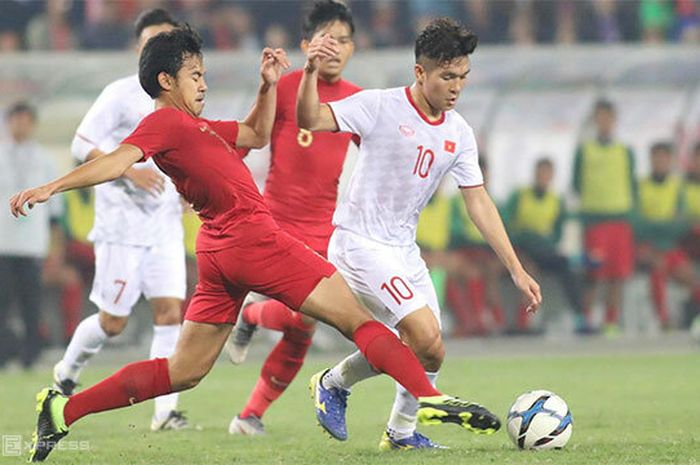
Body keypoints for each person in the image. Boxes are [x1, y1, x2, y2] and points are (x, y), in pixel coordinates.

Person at [11, 26, 501, 463]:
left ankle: (64, 408)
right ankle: (427, 397)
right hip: (252, 237)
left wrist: (267, 86)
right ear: (166, 82)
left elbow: (255, 133)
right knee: (359, 320)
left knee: (183, 371)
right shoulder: (163, 123)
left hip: (220, 250)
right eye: (195, 75)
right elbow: (117, 161)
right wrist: (52, 186)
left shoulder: (198, 127)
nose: (203, 83)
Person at [296, 18, 541, 450]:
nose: (456, 87)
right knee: (422, 333)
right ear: (420, 72)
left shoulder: (459, 132)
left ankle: (399, 432)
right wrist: (311, 72)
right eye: (447, 76)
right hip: (359, 243)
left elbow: (478, 202)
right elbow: (311, 117)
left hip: (403, 250)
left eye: (463, 76)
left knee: (431, 350)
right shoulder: (378, 105)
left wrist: (516, 270)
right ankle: (335, 385)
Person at [226, 0, 361, 436]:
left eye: (343, 41)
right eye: (327, 40)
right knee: (305, 319)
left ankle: (249, 415)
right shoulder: (284, 89)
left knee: (302, 331)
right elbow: (246, 141)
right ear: (306, 45)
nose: (335, 48)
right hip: (278, 224)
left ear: (353, 48)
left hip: (327, 230)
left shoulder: (358, 101)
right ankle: (248, 320)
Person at [51, 8, 190, 432]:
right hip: (121, 227)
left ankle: (165, 412)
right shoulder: (119, 94)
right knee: (113, 322)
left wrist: (188, 186)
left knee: (170, 313)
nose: (157, 47)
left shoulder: (183, 97)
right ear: (138, 47)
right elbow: (81, 144)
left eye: (165, 39)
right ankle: (65, 372)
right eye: (150, 40)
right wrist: (129, 170)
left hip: (164, 223)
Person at [0, 101, 62, 369]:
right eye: (16, 119)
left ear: (32, 124)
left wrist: (55, 253)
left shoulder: (45, 161)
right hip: (3, 243)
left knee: (31, 304)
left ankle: (30, 356)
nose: (21, 125)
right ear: (8, 122)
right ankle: (3, 354)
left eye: (26, 120)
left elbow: (55, 214)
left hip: (33, 245)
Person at [504, 158, 590, 333]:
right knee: (527, 271)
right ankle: (523, 322)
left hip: (543, 250)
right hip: (521, 249)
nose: (543, 177)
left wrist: (545, 242)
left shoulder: (555, 201)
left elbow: (557, 233)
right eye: (540, 173)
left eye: (547, 174)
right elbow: (506, 225)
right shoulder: (520, 196)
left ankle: (580, 317)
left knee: (568, 268)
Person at [572, 99, 636, 335]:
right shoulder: (584, 151)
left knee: (617, 275)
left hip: (620, 220)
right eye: (600, 117)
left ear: (614, 119)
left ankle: (610, 321)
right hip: (595, 222)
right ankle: (587, 319)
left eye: (608, 117)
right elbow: (576, 184)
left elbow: (631, 183)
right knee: (593, 274)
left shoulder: (624, 151)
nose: (605, 122)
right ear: (595, 120)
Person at [635, 142, 700, 329]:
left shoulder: (676, 189)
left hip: (671, 246)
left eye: (664, 158)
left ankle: (691, 317)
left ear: (670, 161)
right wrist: (663, 225)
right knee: (658, 271)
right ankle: (665, 322)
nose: (660, 162)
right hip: (647, 247)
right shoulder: (641, 187)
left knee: (690, 277)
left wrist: (656, 224)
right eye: (657, 158)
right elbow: (638, 224)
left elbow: (680, 223)